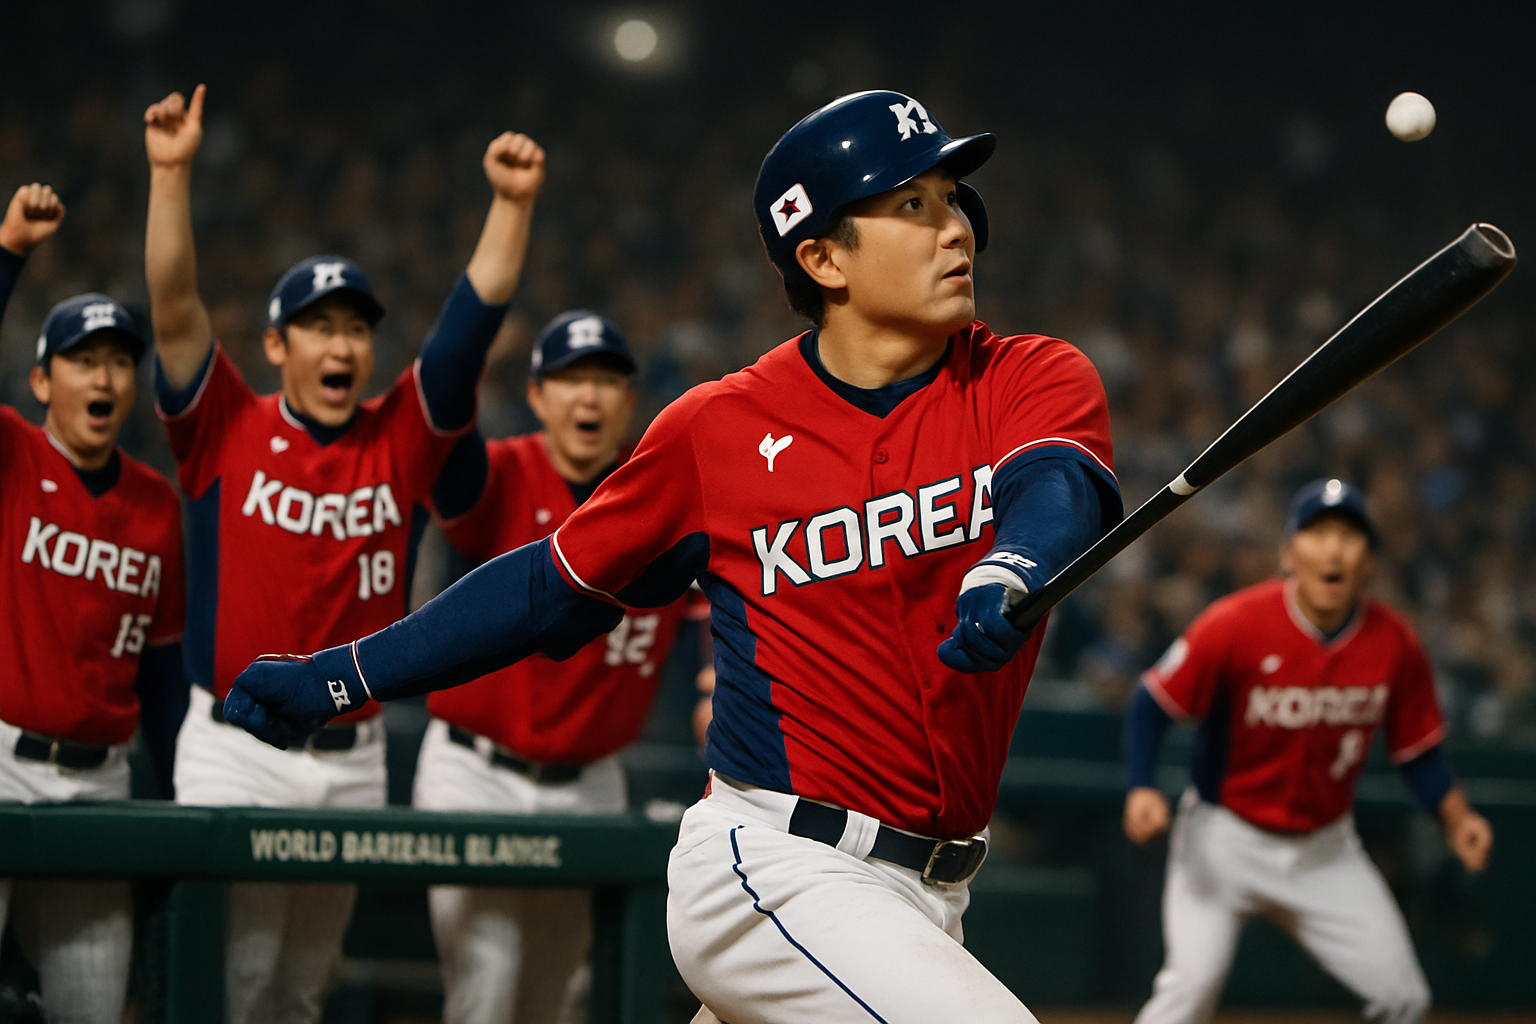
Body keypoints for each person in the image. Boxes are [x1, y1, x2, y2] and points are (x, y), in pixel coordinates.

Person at [224, 89, 1124, 1023]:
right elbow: (545, 586)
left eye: (952, 198)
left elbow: (1056, 487)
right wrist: (339, 676)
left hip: (930, 893)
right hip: (776, 866)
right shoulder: (716, 428)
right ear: (820, 257)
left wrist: (1012, 564)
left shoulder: (1029, 373)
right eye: (912, 205)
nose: (955, 230)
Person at [142, 83, 545, 1024]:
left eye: (357, 328)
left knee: (300, 991)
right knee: (228, 987)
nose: (342, 343)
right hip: (234, 745)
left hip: (355, 752)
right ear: (276, 344)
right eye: (320, 326)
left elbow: (462, 337)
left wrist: (511, 205)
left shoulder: (399, 436)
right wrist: (169, 174)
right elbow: (170, 309)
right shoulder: (225, 426)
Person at [418, 311, 705, 1024]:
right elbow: (441, 430)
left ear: (630, 403)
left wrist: (711, 678)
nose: (589, 396)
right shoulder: (499, 478)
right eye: (570, 379)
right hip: (474, 773)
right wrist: (477, 331)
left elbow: (716, 596)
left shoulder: (657, 498)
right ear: (539, 397)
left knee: (552, 1002)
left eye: (607, 380)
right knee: (486, 990)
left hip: (590, 784)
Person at [1121, 477, 1494, 1024]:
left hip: (1326, 849)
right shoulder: (1236, 623)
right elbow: (1151, 704)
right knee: (1187, 992)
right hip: (1224, 839)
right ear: (1288, 553)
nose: (1335, 549)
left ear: (1369, 563)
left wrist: (1456, 815)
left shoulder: (1394, 643)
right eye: (1318, 533)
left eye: (1350, 536)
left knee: (1404, 998)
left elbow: (1417, 753)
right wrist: (1141, 787)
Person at [0, 183, 187, 1023]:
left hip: (102, 783)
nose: (105, 375)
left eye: (119, 360)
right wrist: (8, 254)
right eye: (83, 360)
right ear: (42, 380)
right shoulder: (10, 454)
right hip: (1, 761)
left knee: (92, 1010)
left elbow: (161, 670)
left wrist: (183, 797)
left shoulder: (154, 504)